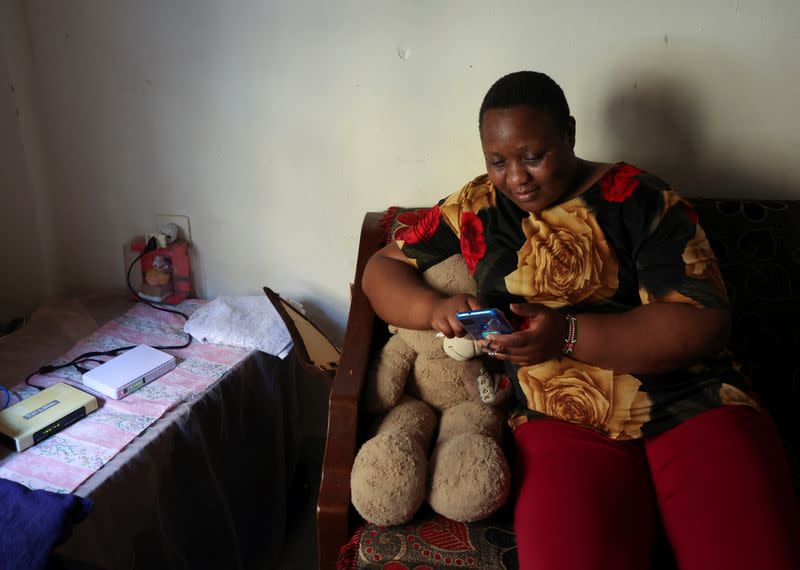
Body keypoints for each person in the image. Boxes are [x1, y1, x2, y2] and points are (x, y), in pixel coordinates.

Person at [362, 71, 800, 569]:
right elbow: (383, 269)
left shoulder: (641, 198)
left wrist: (568, 334)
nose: (517, 178)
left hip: (691, 401)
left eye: (534, 156)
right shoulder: (477, 205)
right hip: (562, 417)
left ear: (569, 133)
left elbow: (702, 324)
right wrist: (433, 309)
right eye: (498, 161)